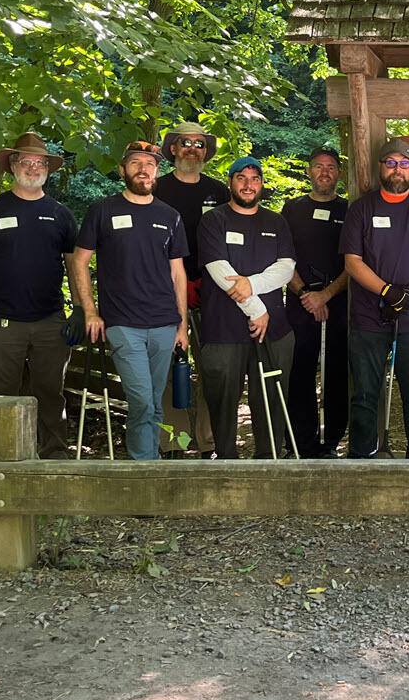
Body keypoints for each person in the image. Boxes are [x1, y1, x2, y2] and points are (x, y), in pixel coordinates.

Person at [68, 141, 189, 462]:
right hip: (123, 324)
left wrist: (182, 326)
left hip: (165, 324)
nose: (143, 169)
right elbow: (80, 261)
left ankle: (148, 464)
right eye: (135, 163)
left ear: (158, 172)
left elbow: (178, 274)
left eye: (149, 164)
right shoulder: (103, 210)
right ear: (123, 170)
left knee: (153, 399)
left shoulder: (170, 216)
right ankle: (145, 470)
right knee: (141, 402)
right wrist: (90, 312)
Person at [340, 137, 409, 459]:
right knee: (364, 395)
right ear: (380, 167)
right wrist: (388, 292)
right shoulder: (361, 209)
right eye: (391, 162)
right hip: (367, 319)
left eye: (404, 163)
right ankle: (362, 458)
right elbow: (352, 262)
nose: (397, 169)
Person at [0, 132, 77, 459]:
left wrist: (84, 310)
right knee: (3, 395)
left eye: (39, 163)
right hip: (3, 319)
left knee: (51, 392)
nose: (33, 168)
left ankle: (55, 456)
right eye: (26, 162)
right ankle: (4, 456)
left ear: (47, 168)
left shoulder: (61, 214)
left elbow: (75, 267)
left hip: (50, 320)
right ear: (13, 166)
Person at [196, 156, 298, 459]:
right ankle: (226, 464)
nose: (248, 184)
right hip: (223, 330)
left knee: (271, 402)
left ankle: (269, 462)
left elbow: (286, 268)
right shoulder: (213, 220)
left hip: (274, 331)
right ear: (230, 182)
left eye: (254, 178)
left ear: (262, 184)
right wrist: (256, 310)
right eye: (241, 177)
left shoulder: (275, 221)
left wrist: (252, 285)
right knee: (223, 403)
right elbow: (219, 270)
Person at [153, 121, 227, 455]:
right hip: (164, 291)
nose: (192, 149)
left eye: (199, 144)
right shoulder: (156, 188)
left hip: (212, 291)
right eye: (186, 142)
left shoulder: (220, 192)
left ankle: (208, 440)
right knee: (170, 367)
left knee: (213, 367)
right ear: (172, 148)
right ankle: (173, 441)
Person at [282, 148, 350, 458]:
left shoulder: (350, 210)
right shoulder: (292, 209)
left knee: (336, 375)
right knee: (299, 373)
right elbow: (282, 257)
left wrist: (327, 295)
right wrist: (306, 294)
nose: (325, 171)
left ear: (338, 173)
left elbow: (356, 262)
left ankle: (331, 442)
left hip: (338, 303)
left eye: (331, 167)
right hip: (300, 303)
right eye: (319, 166)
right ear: (309, 171)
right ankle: (299, 443)